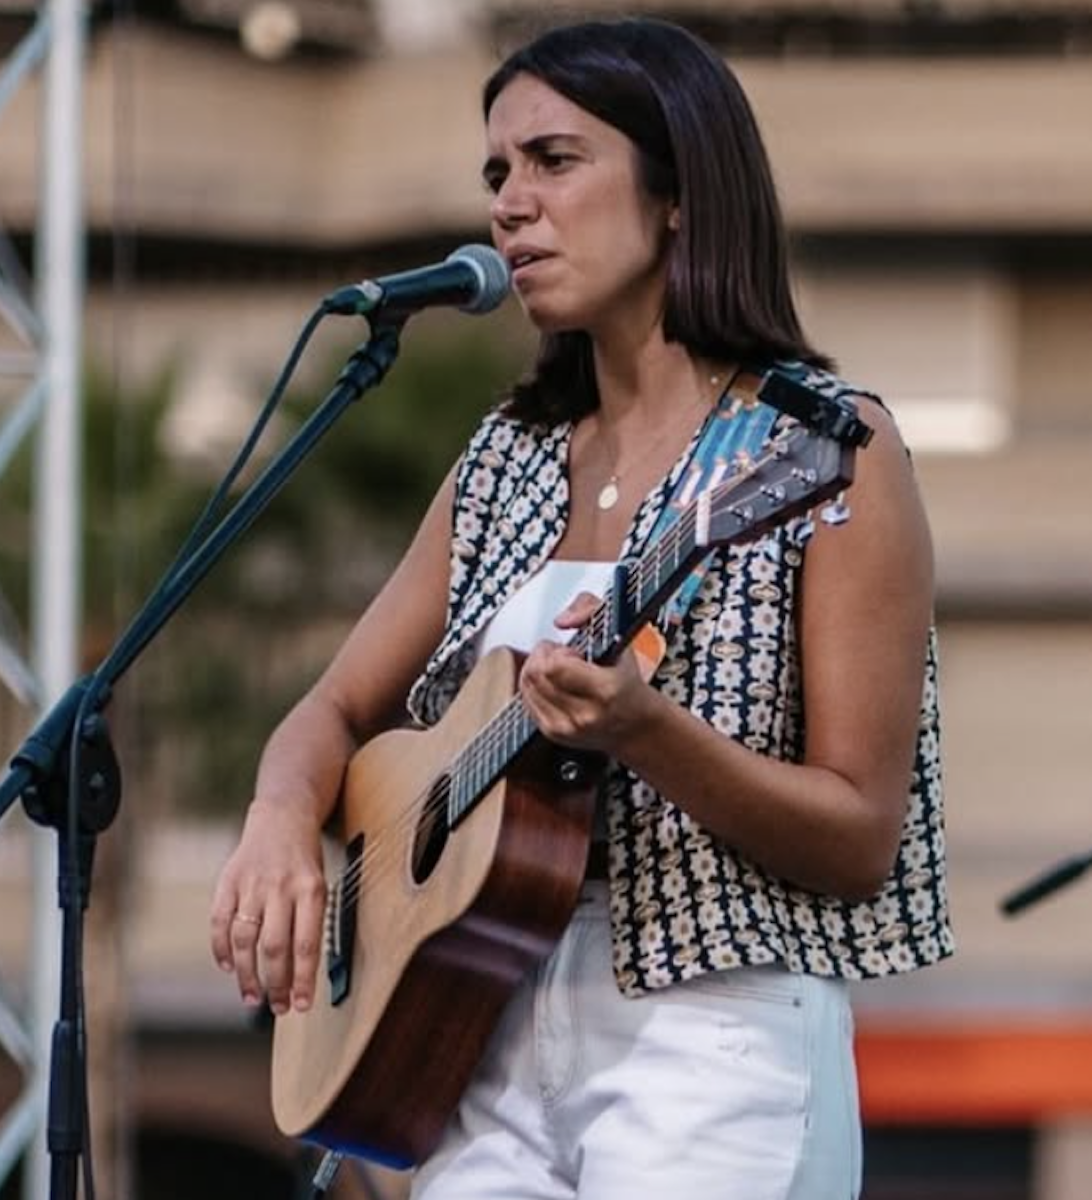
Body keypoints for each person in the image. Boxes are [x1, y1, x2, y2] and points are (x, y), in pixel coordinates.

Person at [209, 17, 951, 1199]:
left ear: (678, 199)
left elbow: (860, 835)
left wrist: (644, 733)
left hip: (710, 1036)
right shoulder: (506, 456)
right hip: (478, 1025)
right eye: (497, 172)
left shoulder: (823, 450)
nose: (510, 203)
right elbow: (337, 707)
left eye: (555, 161)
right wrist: (278, 818)